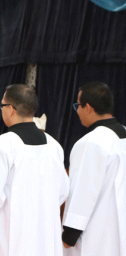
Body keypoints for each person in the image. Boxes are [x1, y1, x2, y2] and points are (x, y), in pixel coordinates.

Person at [0, 84, 69, 256]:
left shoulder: (3, 145)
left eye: (2, 105)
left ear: (10, 109)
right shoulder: (54, 145)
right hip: (43, 234)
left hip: (10, 234)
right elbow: (62, 191)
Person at [62, 81, 126, 256]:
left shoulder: (91, 142)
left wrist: (70, 235)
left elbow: (82, 192)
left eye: (78, 106)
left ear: (88, 107)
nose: (78, 112)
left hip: (96, 235)